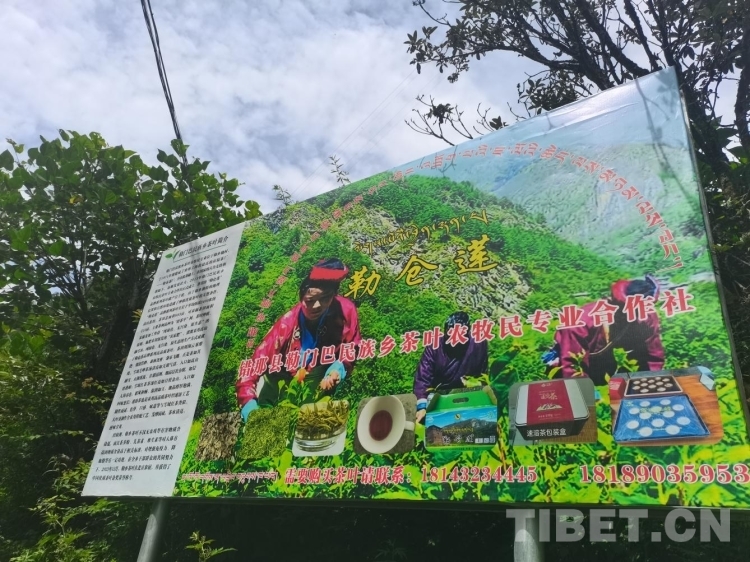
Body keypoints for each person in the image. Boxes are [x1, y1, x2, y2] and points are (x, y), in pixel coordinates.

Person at [236, 258, 362, 421]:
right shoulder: (285, 326)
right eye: (310, 300)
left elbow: (352, 347)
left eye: (325, 298)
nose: (317, 306)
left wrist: (338, 368)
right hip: (279, 385)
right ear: (301, 297)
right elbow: (250, 370)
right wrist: (250, 408)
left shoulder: (345, 311)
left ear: (334, 296)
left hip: (316, 385)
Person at [550, 275, 665, 385]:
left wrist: (650, 381)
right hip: (570, 357)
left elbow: (653, 356)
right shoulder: (579, 323)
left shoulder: (647, 317)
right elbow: (570, 365)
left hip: (605, 358)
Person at [413, 311, 489, 423]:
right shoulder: (434, 346)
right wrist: (422, 407)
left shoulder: (479, 344)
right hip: (438, 399)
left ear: (467, 331)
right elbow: (422, 379)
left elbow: (482, 374)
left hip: (468, 398)